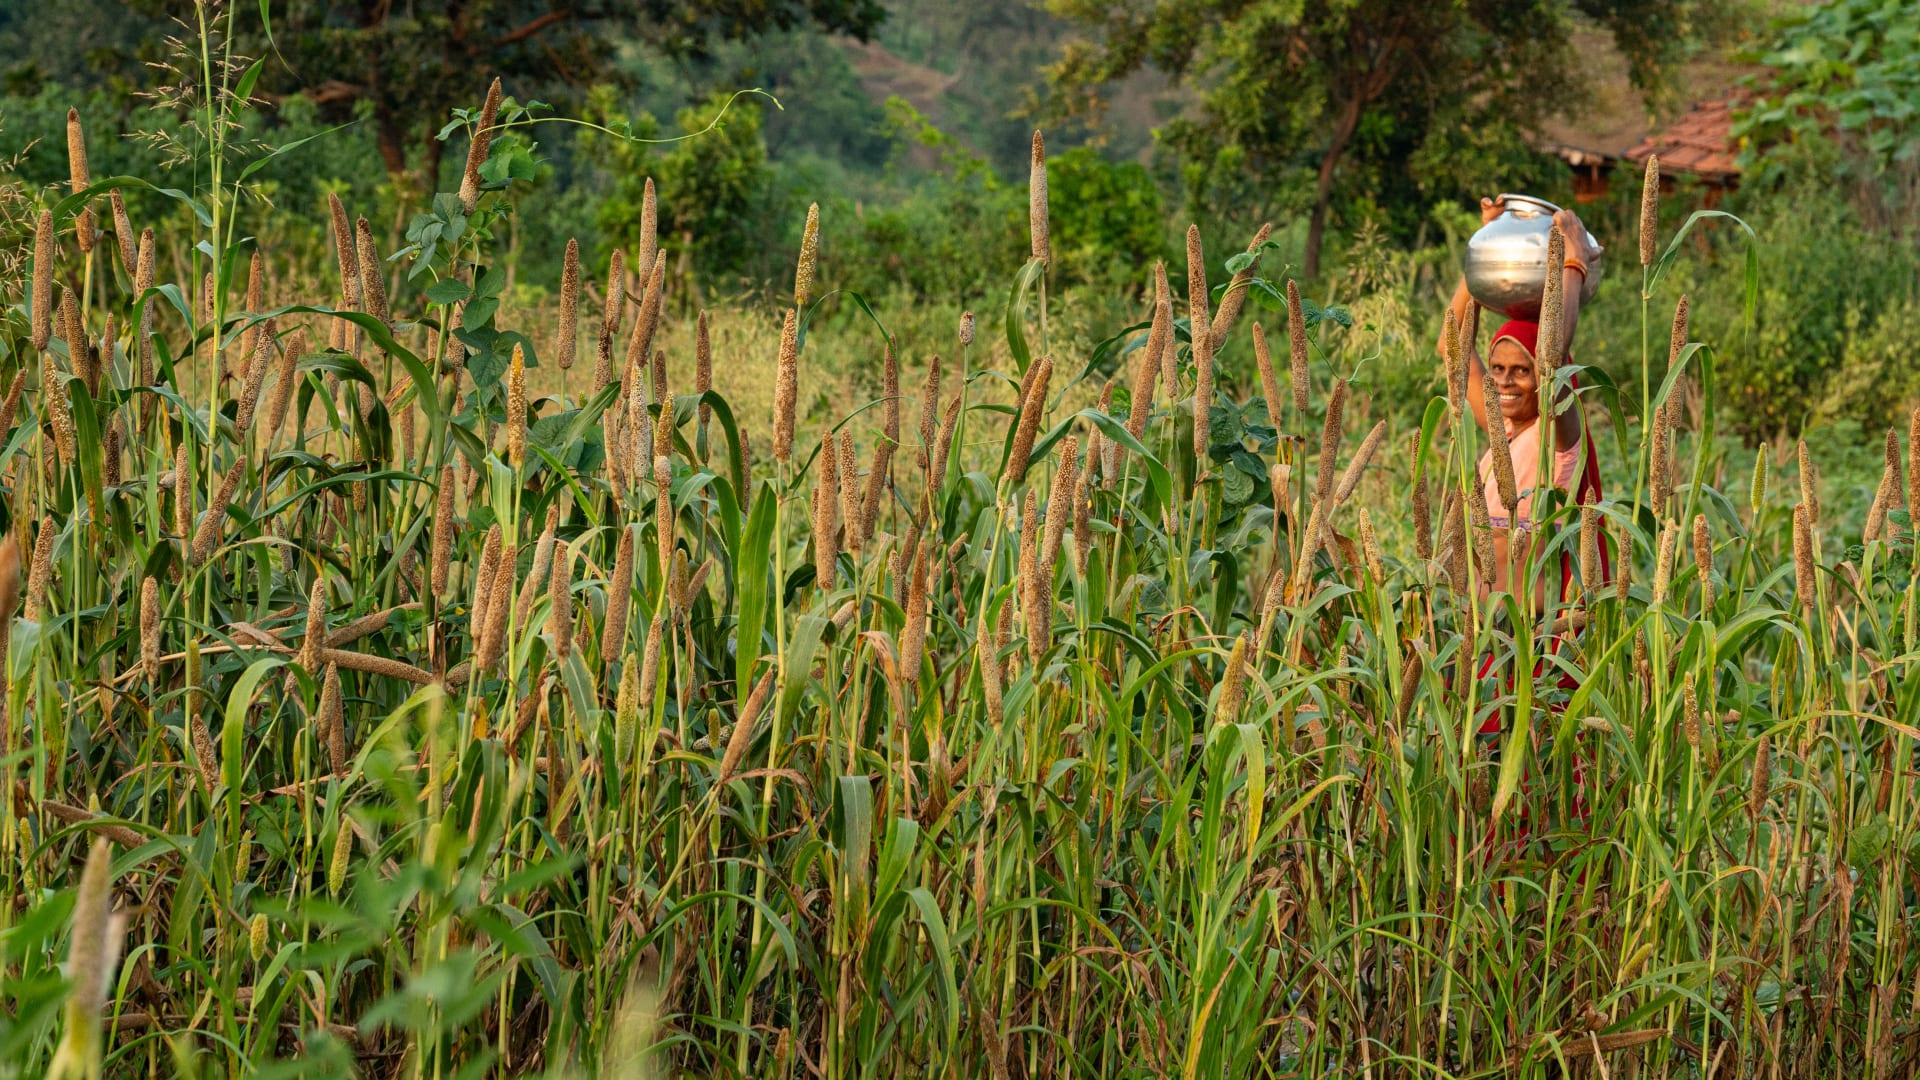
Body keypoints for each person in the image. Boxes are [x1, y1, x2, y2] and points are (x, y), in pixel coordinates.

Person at [1437, 196, 1606, 604]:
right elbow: (1450, 345)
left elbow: (1551, 361)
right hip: (1483, 635)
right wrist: (1485, 254)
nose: (1504, 381)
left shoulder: (1557, 438)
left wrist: (1573, 264)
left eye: (1521, 370)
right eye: (1497, 368)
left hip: (1532, 638)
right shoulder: (1506, 433)